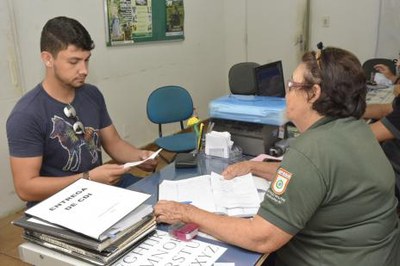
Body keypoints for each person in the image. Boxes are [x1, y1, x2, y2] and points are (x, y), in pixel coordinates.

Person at [154, 46, 400, 265]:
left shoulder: (311, 151)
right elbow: (320, 180)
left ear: (313, 93)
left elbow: (261, 237)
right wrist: (255, 167)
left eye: (292, 85)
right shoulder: (357, 129)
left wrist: (188, 213)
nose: (286, 93)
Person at [6, 16, 157, 208]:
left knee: (161, 202)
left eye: (87, 60)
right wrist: (88, 179)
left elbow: (114, 142)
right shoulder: (26, 115)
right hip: (61, 204)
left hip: (99, 189)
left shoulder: (91, 94)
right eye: (74, 61)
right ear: (48, 59)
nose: (84, 70)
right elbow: (26, 188)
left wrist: (138, 157)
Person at [364, 57, 400, 198]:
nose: (398, 63)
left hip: (393, 175)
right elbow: (387, 109)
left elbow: (366, 136)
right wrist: (354, 110)